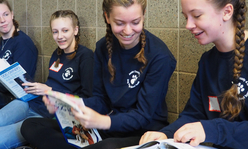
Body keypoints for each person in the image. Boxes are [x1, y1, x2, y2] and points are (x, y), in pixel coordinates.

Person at [20, 0, 176, 149]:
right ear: (107, 17)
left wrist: (103, 122)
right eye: (120, 23)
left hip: (141, 131)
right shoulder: (103, 47)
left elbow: (144, 115)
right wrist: (68, 103)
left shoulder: (160, 56)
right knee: (30, 126)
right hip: (105, 125)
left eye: (135, 22)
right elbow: (101, 100)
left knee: (104, 146)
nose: (128, 31)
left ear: (144, 15)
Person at [139, 0, 248, 149]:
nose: (188, 25)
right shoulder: (207, 62)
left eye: (196, 15)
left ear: (227, 12)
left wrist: (212, 130)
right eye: (186, 17)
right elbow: (194, 114)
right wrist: (165, 134)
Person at [0, 10, 94, 148]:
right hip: (31, 102)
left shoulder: (85, 57)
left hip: (48, 116)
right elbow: (53, 83)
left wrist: (49, 90)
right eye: (55, 32)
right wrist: (33, 88)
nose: (60, 36)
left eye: (65, 30)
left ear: (75, 30)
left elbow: (88, 100)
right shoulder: (57, 53)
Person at [0, 0, 38, 108]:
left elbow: (21, 84)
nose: (2, 20)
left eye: (5, 14)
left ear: (12, 14)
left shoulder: (23, 42)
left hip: (16, 100)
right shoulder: (2, 42)